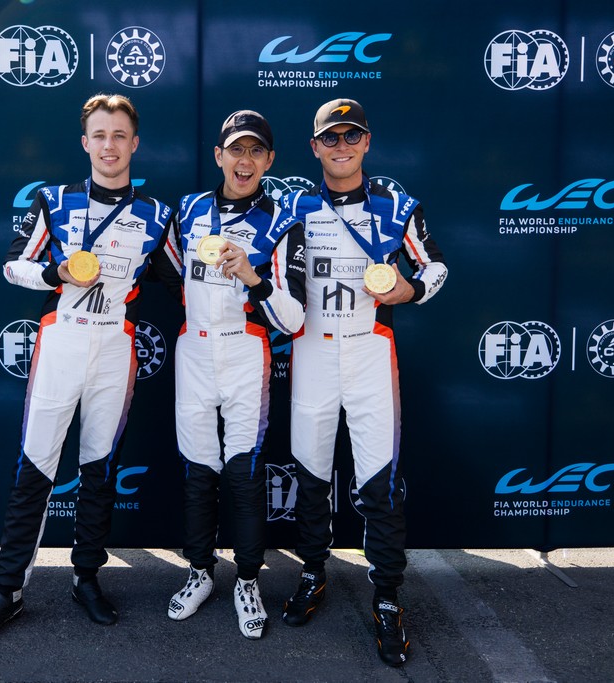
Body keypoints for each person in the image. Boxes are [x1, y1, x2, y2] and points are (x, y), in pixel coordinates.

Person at [0, 94, 172, 645]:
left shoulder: (157, 214)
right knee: (36, 466)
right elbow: (13, 265)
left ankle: (86, 579)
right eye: (99, 135)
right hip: (61, 342)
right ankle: (9, 590)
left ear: (134, 144)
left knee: (99, 470)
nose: (109, 145)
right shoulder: (54, 201)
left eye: (119, 135)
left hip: (116, 347)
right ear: (85, 143)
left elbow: (181, 276)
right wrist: (56, 273)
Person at [278, 98, 447, 667]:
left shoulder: (397, 205)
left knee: (379, 481)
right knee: (310, 475)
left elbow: (436, 266)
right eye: (331, 137)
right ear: (315, 147)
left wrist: (410, 290)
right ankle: (312, 572)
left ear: (367, 142)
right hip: (311, 351)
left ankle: (388, 596)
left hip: (371, 351)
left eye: (352, 136)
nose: (342, 146)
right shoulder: (294, 207)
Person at [155, 110, 307, 639]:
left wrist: (253, 277)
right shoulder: (188, 210)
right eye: (236, 149)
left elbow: (295, 318)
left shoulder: (282, 220)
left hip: (246, 351)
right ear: (218, 156)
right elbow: (167, 270)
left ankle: (247, 580)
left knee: (243, 473)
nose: (245, 161)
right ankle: (200, 572)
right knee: (199, 470)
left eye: (256, 151)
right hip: (194, 350)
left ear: (270, 160)